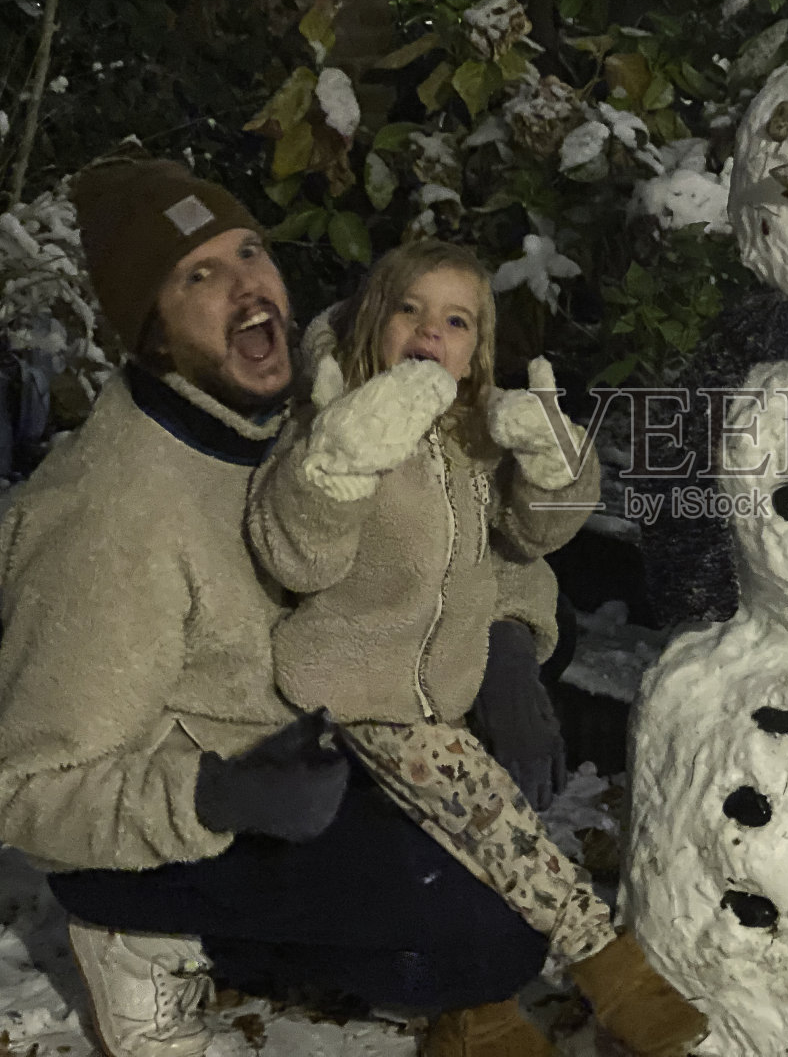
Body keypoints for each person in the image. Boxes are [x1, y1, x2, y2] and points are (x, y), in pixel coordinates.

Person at [0, 160, 701, 1057]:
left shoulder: (329, 389)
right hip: (210, 801)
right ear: (151, 332)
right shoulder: (107, 517)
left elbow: (460, 536)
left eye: (249, 250)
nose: (247, 285)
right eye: (198, 275)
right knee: (486, 934)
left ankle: (435, 952)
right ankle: (152, 938)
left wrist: (511, 647)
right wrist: (219, 794)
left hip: (339, 725)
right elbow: (23, 797)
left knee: (490, 836)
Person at [245, 239, 708, 1057]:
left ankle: (476, 1015)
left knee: (471, 836)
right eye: (410, 310)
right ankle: (609, 968)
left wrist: (555, 470)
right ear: (371, 322)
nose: (432, 332)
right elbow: (295, 554)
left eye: (456, 320)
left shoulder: (468, 437)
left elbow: (531, 539)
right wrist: (339, 466)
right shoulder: (331, 417)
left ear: (476, 347)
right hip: (350, 687)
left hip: (439, 690)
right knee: (493, 817)